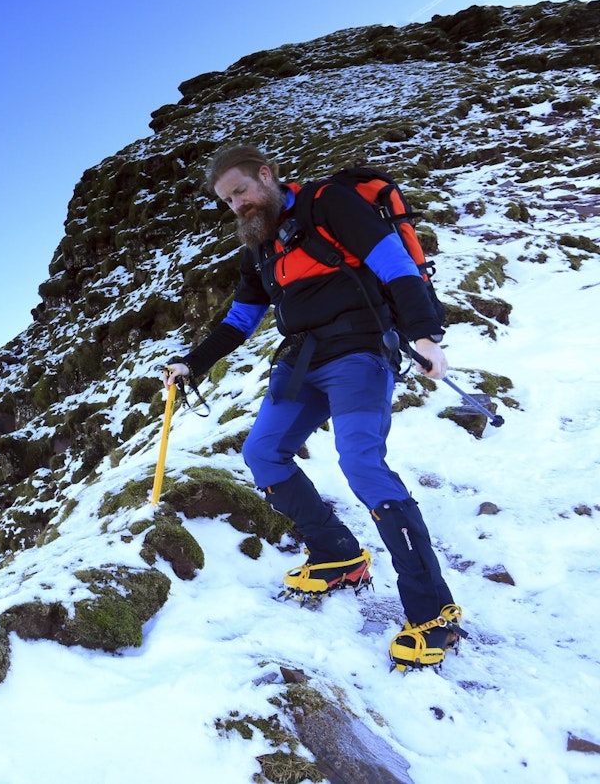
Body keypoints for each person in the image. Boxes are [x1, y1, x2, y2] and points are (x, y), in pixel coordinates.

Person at [162, 145, 466, 670]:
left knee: (361, 463)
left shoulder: (328, 203)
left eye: (240, 191)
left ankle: (434, 611)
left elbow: (394, 263)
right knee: (263, 454)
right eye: (226, 200)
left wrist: (422, 334)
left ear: (267, 174)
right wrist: (192, 363)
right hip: (302, 362)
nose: (236, 205)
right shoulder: (258, 247)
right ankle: (338, 554)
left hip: (359, 352)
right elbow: (239, 321)